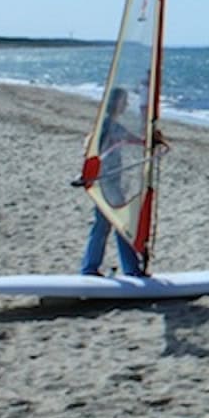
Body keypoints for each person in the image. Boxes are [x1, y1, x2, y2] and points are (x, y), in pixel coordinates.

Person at [77, 87, 149, 277]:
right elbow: (90, 148)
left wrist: (150, 142)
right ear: (116, 103)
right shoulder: (107, 126)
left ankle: (90, 268)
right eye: (124, 101)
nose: (126, 105)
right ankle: (131, 269)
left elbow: (133, 140)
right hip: (106, 183)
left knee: (103, 225)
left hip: (108, 182)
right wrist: (85, 175)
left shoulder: (111, 125)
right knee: (121, 223)